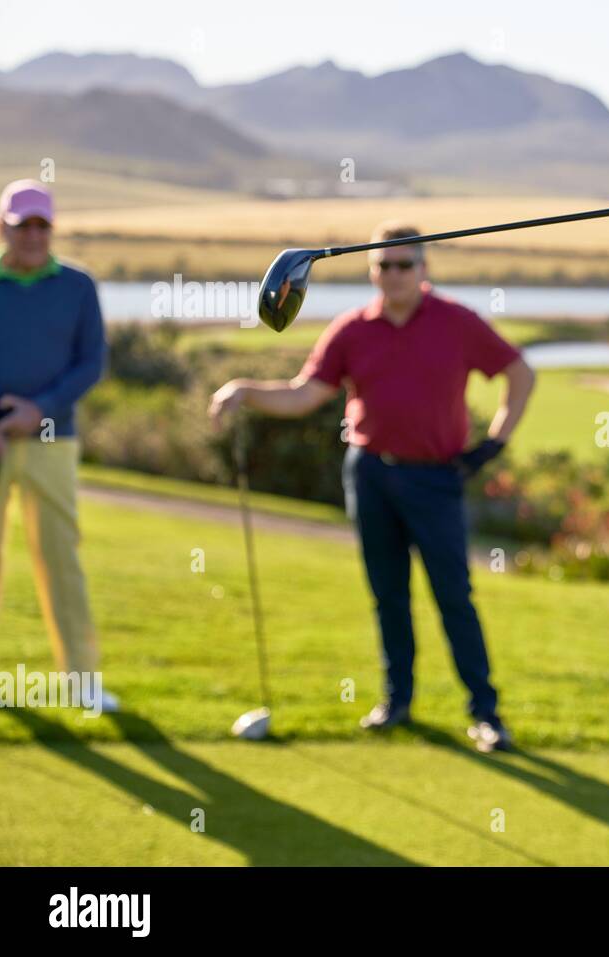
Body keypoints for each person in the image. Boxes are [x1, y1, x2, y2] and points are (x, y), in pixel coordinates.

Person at [209, 222, 535, 752]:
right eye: (385, 265)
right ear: (371, 271)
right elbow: (304, 395)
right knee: (388, 597)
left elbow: (521, 374)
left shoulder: (456, 322)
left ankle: (486, 714)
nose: (395, 274)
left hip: (437, 477)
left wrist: (491, 447)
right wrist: (245, 391)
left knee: (454, 596)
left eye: (405, 264)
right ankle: (397, 702)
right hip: (370, 474)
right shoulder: (352, 329)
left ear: (424, 269)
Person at [0, 179, 113, 712]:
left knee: (61, 558)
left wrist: (38, 409)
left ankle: (83, 682)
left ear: (53, 229)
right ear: (5, 228)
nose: (33, 236)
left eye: (42, 226)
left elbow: (90, 362)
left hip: (52, 437)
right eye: (23, 226)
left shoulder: (77, 285)